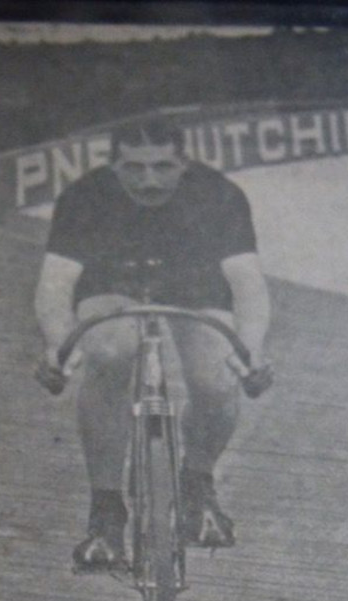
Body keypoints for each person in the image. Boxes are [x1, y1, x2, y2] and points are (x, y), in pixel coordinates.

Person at [34, 118, 273, 570]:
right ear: (113, 167)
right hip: (113, 281)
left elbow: (247, 283)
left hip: (194, 285)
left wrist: (252, 347)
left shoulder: (219, 195)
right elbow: (55, 284)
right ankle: (106, 512)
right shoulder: (84, 196)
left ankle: (198, 487)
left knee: (217, 378)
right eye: (135, 168)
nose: (149, 180)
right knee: (108, 353)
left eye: (163, 166)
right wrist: (57, 345)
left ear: (184, 163)